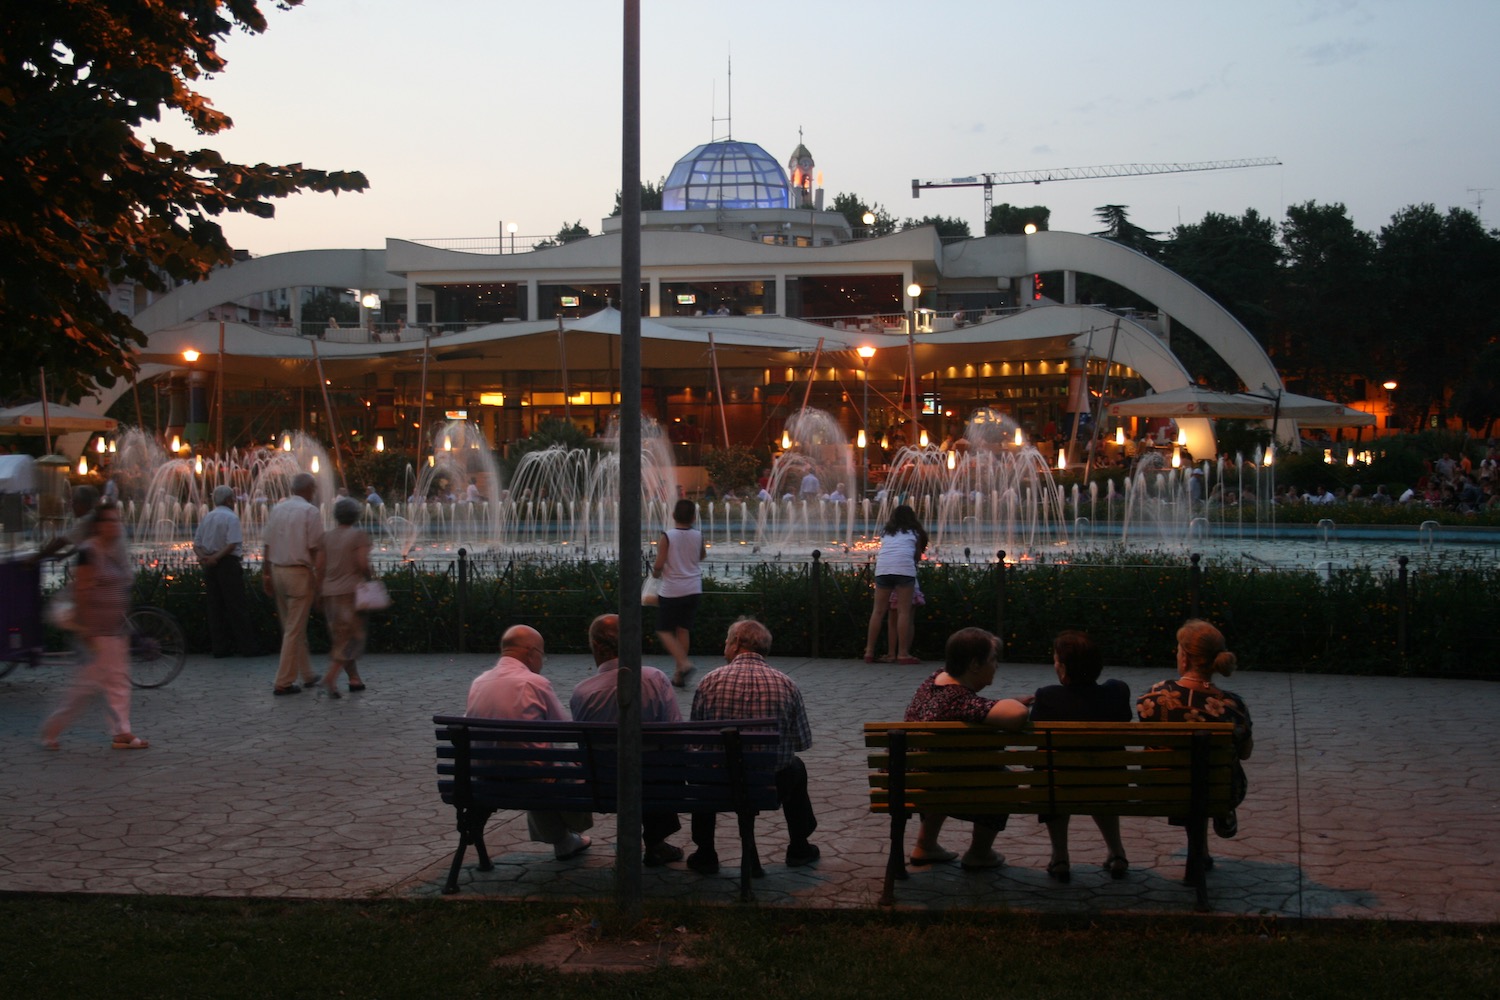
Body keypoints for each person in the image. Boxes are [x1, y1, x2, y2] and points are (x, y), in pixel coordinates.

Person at [687, 617, 818, 874]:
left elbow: (696, 739)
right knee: (797, 768)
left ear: (736, 643)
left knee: (701, 769)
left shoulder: (708, 681)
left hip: (719, 785)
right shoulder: (786, 684)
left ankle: (705, 852)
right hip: (770, 786)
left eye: (726, 641)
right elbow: (802, 743)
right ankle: (799, 846)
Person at [903, 627, 1031, 870]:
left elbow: (975, 707)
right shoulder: (961, 703)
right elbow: (1017, 715)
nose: (997, 666)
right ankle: (979, 853)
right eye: (993, 659)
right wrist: (1014, 703)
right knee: (1001, 780)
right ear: (974, 664)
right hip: (940, 785)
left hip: (911, 779)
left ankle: (926, 844)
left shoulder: (934, 680)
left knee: (939, 766)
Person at [466, 625, 592, 859]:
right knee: (549, 768)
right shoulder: (534, 682)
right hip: (531, 780)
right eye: (542, 654)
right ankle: (565, 838)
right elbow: (565, 731)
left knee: (537, 763)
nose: (542, 661)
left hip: (485, 779)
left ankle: (563, 841)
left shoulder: (479, 682)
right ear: (530, 651)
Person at [569, 613, 685, 866]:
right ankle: (655, 843)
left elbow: (583, 747)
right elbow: (676, 734)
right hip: (656, 788)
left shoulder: (582, 693)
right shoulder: (655, 679)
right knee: (657, 762)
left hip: (604, 787)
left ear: (597, 647)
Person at [40, 501, 148, 750]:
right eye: (109, 521)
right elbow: (82, 590)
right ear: (98, 526)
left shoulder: (113, 550)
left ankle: (122, 732)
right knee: (85, 686)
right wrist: (87, 629)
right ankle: (52, 729)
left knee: (118, 681)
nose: (115, 525)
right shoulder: (89, 551)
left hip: (114, 629)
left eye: (116, 520)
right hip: (96, 631)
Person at [1137, 619, 1253, 840]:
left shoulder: (1153, 697)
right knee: (1216, 770)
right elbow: (1246, 753)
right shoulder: (1234, 706)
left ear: (1185, 657)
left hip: (1162, 788)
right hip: (1219, 791)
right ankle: (1221, 811)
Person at [1030, 630, 1132, 881]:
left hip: (1057, 786)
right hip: (1109, 784)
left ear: (1063, 667)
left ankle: (1060, 857)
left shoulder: (1047, 696)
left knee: (1052, 774)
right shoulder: (1118, 692)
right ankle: (1117, 852)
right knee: (1099, 776)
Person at [261, 472, 324, 695]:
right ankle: (283, 681)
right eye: (314, 488)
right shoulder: (310, 511)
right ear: (308, 490)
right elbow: (315, 548)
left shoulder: (278, 508)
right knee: (294, 630)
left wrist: (266, 574)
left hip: (278, 571)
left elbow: (267, 544)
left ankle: (306, 674)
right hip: (298, 574)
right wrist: (320, 580)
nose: (315, 492)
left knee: (292, 626)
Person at [192, 484, 258, 658]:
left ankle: (220, 648)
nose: (235, 502)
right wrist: (217, 558)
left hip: (210, 565)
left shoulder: (207, 517)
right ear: (229, 500)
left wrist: (205, 558)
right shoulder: (231, 518)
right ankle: (247, 648)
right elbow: (232, 543)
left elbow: (196, 544)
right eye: (233, 499)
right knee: (237, 606)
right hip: (227, 564)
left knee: (215, 607)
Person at [316, 496, 372, 697]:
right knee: (352, 638)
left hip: (330, 592)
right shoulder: (359, 536)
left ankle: (353, 679)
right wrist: (370, 579)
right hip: (350, 592)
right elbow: (362, 563)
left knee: (340, 636)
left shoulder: (326, 537)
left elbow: (320, 567)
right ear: (355, 516)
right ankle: (330, 677)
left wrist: (318, 592)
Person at [862, 504, 928, 665]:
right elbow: (917, 556)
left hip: (883, 570)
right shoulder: (914, 532)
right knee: (904, 612)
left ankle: (869, 651)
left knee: (877, 611)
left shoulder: (886, 532)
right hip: (904, 571)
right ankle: (903, 654)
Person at [652, 498, 705, 687]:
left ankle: (684, 664)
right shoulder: (698, 535)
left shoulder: (667, 536)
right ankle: (679, 675)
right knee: (683, 629)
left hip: (672, 590)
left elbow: (659, 564)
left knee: (663, 629)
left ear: (673, 516)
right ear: (693, 517)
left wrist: (655, 573)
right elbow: (701, 556)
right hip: (693, 588)